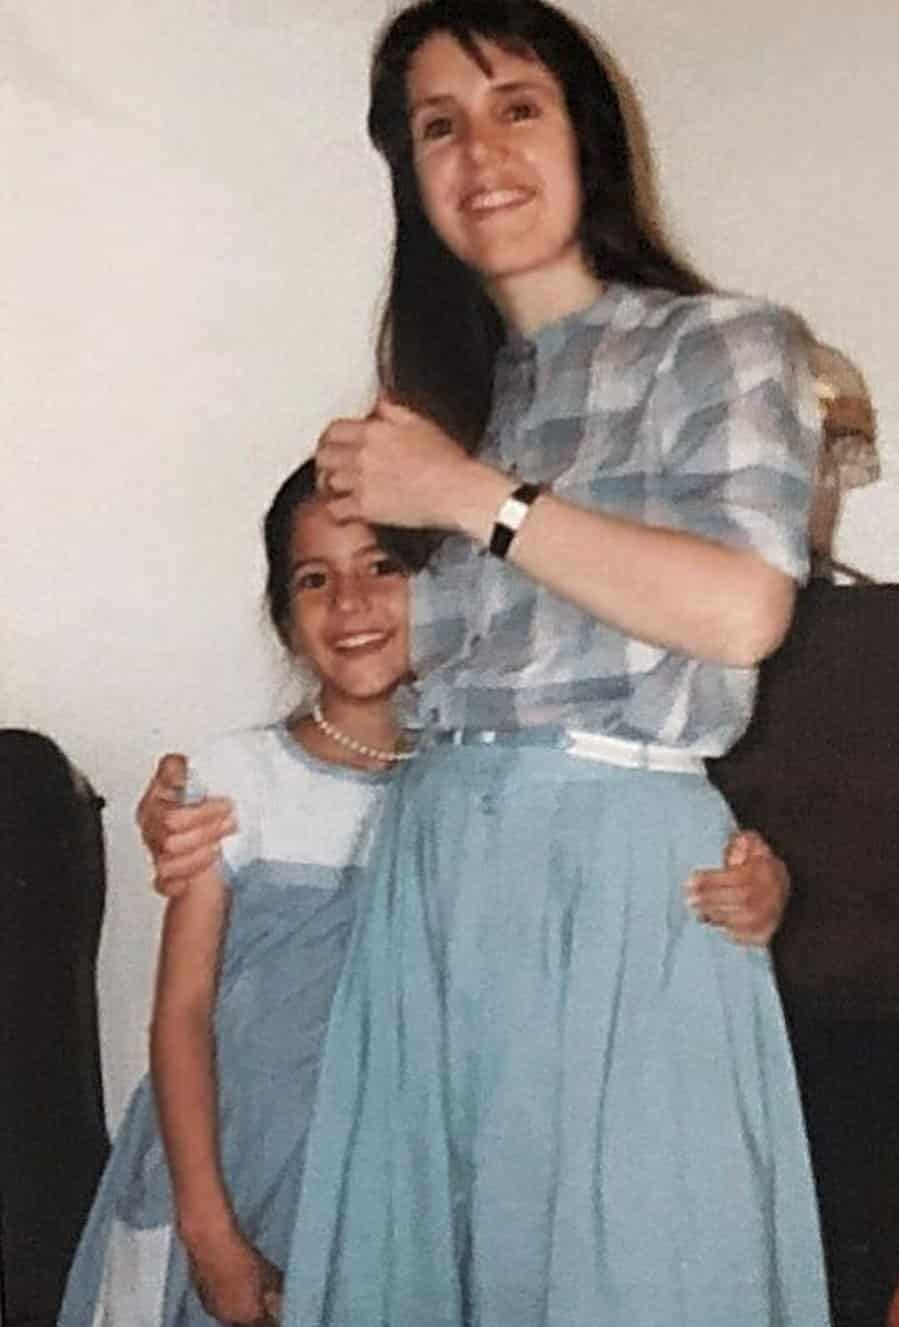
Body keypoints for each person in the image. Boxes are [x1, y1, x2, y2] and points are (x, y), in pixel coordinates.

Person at [142, 0, 829, 1319]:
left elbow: (741, 612)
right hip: (433, 865)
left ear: (591, 137)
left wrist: (477, 497)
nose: (479, 154)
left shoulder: (724, 343)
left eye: (518, 106)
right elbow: (371, 656)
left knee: (636, 1262)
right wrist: (203, 802)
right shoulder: (443, 397)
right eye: (437, 127)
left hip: (619, 874)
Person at [59, 461, 425, 1327]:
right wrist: (209, 1229)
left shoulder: (468, 784)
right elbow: (180, 1012)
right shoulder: (236, 780)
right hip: (218, 1176)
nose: (351, 601)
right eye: (314, 578)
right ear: (285, 618)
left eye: (383, 566)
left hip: (368, 1197)